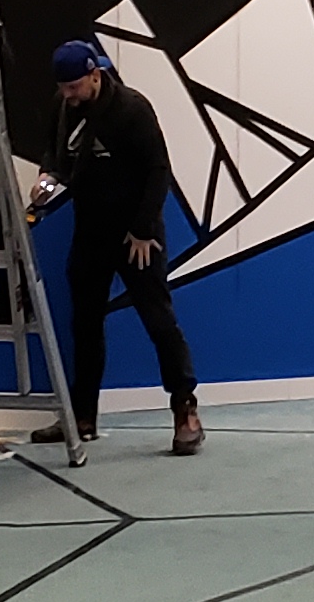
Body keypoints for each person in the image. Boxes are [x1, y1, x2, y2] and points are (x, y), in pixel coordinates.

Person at [33, 37, 202, 455]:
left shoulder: (132, 109)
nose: (69, 95)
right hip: (90, 230)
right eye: (63, 88)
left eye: (75, 86)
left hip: (136, 236)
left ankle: (185, 408)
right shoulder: (63, 107)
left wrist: (143, 229)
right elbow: (56, 156)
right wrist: (46, 180)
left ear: (95, 75)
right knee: (85, 323)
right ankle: (83, 415)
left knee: (159, 321)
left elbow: (158, 170)